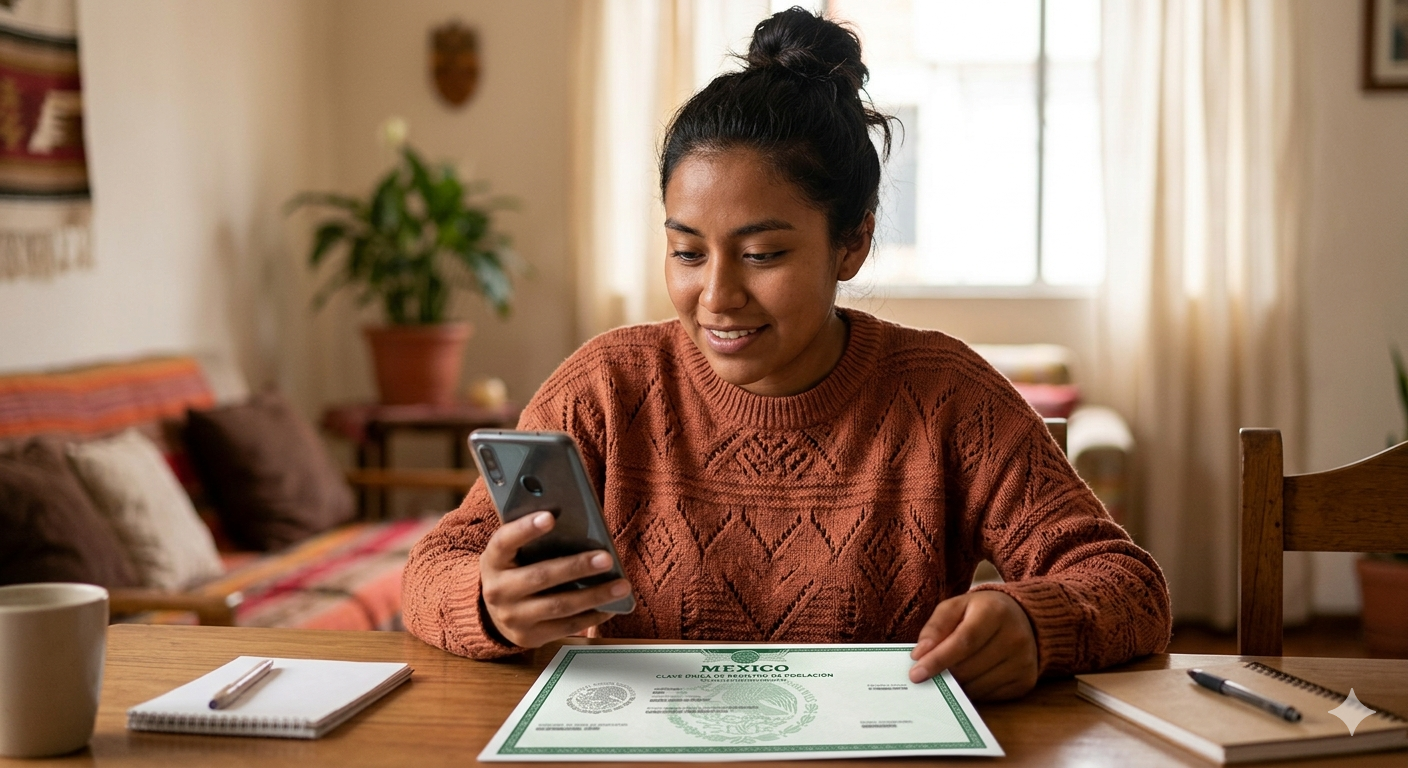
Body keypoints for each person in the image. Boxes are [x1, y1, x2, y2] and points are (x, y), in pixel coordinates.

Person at [403, 7, 1170, 701]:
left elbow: (1129, 586)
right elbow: (430, 570)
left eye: (763, 254)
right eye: (687, 251)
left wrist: (1034, 622)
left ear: (854, 242)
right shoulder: (607, 386)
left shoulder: (946, 395)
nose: (716, 296)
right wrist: (487, 600)